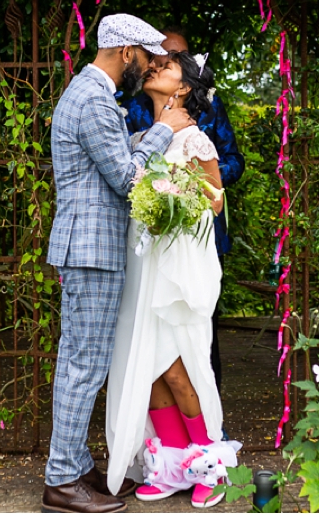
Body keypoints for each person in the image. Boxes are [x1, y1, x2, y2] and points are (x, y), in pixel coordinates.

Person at [42, 13, 196, 514]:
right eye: (148, 56)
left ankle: (76, 465)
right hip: (91, 251)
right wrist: (162, 129)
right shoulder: (90, 98)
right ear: (126, 52)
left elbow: (105, 160)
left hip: (91, 250)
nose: (152, 63)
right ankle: (61, 481)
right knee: (81, 366)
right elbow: (126, 180)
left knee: (82, 364)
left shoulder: (90, 94)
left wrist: (141, 139)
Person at [106, 50, 241, 509]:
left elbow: (216, 201)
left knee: (178, 368)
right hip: (142, 263)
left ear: (183, 88)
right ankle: (171, 465)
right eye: (156, 64)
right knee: (149, 370)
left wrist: (178, 198)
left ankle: (210, 466)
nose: (156, 68)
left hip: (177, 266)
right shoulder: (145, 135)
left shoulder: (196, 140)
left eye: (168, 67)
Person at [122, 28, 245, 392]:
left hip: (197, 234)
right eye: (161, 56)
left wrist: (191, 182)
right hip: (149, 239)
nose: (163, 63)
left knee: (199, 333)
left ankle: (207, 417)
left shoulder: (209, 107)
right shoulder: (133, 109)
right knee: (150, 333)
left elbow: (232, 162)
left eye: (175, 59)